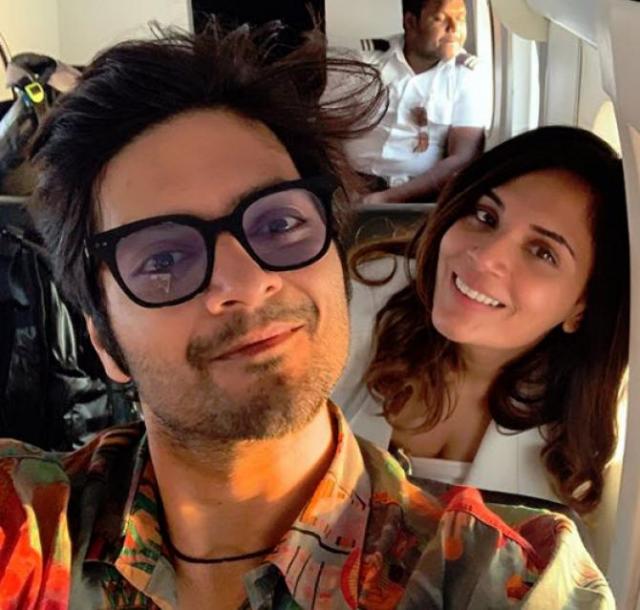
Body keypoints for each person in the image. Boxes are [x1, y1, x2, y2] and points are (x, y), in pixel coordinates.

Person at [0, 23, 614, 609]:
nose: (248, 284)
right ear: (102, 337)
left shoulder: (511, 576)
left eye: (279, 223)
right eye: (163, 258)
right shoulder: (27, 527)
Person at [332, 126, 629, 559]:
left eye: (542, 252)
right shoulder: (353, 300)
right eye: (486, 217)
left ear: (582, 307)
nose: (485, 257)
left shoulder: (582, 445)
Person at [329, 0, 489, 203]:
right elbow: (327, 135)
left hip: (422, 192)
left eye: (461, 19)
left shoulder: (466, 76)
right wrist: (347, 187)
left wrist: (386, 198)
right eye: (440, 19)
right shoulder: (364, 61)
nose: (454, 29)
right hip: (349, 184)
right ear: (410, 22)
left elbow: (463, 157)